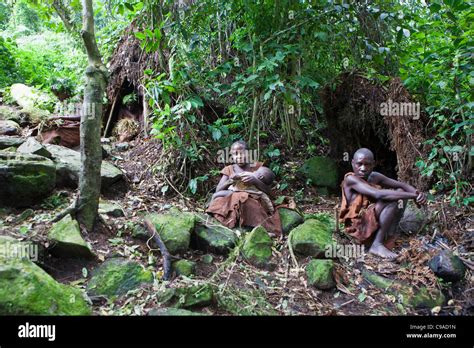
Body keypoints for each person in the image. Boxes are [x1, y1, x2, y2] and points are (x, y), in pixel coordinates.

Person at [339, 148, 427, 259]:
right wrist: (413, 196)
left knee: (400, 193)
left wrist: (418, 194)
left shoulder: (374, 176)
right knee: (390, 199)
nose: (363, 168)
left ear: (373, 165)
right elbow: (378, 194)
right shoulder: (351, 180)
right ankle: (376, 244)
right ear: (352, 163)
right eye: (359, 164)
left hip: (371, 223)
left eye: (367, 165)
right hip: (358, 228)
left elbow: (402, 185)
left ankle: (388, 235)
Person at [206, 140, 282, 236]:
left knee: (246, 201)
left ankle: (263, 229)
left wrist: (254, 180)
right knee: (220, 201)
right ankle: (222, 222)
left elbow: (269, 192)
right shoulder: (229, 169)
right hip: (231, 197)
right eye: (235, 154)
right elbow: (218, 190)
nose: (239, 157)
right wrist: (231, 180)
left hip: (251, 198)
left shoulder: (258, 168)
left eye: (242, 153)